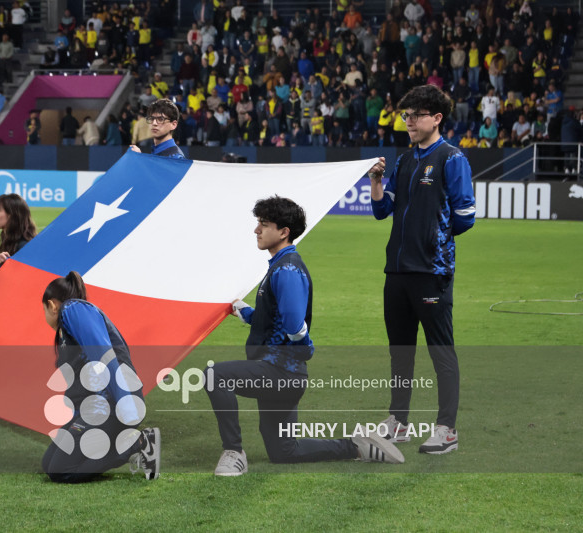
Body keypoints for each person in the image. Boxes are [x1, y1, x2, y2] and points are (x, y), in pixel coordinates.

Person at [206, 197, 405, 476]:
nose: (257, 230)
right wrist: (241, 310)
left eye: (264, 224)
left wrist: (306, 347)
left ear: (284, 231)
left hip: (279, 373)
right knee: (284, 452)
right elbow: (272, 319)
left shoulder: (287, 269)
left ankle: (233, 452)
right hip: (284, 374)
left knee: (215, 376)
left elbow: (294, 326)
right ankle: (357, 447)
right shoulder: (280, 265)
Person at [367, 85, 476, 455]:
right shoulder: (405, 160)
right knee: (400, 351)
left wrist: (432, 237)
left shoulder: (451, 159)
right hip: (396, 271)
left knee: (440, 351)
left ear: (436, 118)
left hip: (431, 272)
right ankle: (398, 422)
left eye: (415, 116)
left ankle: (447, 429)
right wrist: (377, 182)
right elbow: (382, 211)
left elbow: (465, 218)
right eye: (405, 116)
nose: (408, 122)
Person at [40, 272, 160, 483]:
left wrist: (127, 408)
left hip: (110, 405)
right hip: (96, 406)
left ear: (52, 305)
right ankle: (122, 441)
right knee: (48, 462)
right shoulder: (68, 326)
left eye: (43, 310)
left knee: (59, 470)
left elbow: (105, 357)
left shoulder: (73, 309)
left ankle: (140, 443)